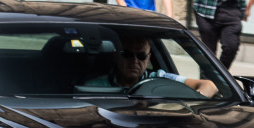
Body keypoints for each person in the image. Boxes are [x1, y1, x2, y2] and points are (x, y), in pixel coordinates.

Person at [85, 35, 217, 97]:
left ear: (149, 58)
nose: (135, 61)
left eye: (141, 56)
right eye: (128, 54)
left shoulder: (161, 78)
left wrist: (191, 104)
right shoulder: (92, 86)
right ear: (116, 56)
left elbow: (210, 86)